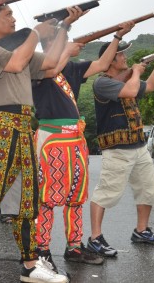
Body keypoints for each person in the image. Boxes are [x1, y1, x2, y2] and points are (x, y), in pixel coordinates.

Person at [0, 5, 84, 283]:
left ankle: (30, 265)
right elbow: (16, 63)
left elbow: (52, 64)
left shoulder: (22, 49)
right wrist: (35, 32)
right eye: (7, 15)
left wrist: (64, 26)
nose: (14, 19)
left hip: (22, 124)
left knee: (26, 201)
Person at [30, 21, 135, 269]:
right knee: (46, 198)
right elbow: (51, 66)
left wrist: (117, 37)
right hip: (52, 139)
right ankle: (42, 250)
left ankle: (74, 247)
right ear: (49, 44)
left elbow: (101, 64)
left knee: (76, 197)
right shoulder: (35, 65)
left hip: (75, 140)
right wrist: (65, 47)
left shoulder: (73, 68)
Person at [87, 41, 154, 258]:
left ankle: (141, 231)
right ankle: (95, 238)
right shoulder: (101, 83)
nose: (125, 56)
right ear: (110, 60)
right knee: (106, 193)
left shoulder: (127, 78)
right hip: (117, 149)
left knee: (148, 190)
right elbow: (131, 90)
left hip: (138, 146)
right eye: (120, 54)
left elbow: (151, 86)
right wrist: (135, 72)